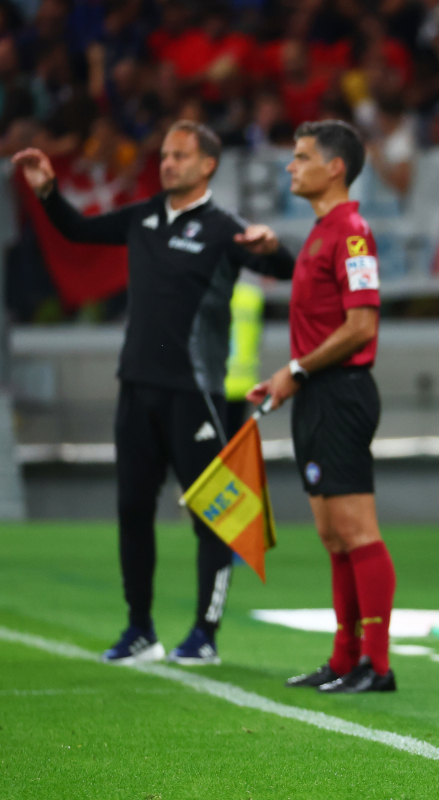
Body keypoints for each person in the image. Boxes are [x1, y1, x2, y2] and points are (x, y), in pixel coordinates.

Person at [12, 121, 292, 666]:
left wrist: (277, 248)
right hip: (135, 388)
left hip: (195, 393)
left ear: (207, 165)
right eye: (165, 155)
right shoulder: (141, 217)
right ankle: (139, 628)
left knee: (210, 514)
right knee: (132, 509)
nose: (168, 163)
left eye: (181, 156)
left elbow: (283, 267)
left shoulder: (223, 229)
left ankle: (204, 634)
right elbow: (78, 231)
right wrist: (47, 190)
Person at [247, 120, 396, 694]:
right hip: (314, 394)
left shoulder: (352, 232)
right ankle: (344, 658)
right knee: (333, 535)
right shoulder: (320, 232)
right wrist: (291, 380)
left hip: (341, 393)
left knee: (357, 531)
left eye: (302, 156)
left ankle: (377, 666)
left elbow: (361, 326)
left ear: (335, 167)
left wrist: (297, 369)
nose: (291, 165)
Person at [224, 273, 265, 436]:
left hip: (209, 382)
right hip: (243, 383)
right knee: (233, 442)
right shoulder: (253, 296)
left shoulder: (205, 293)